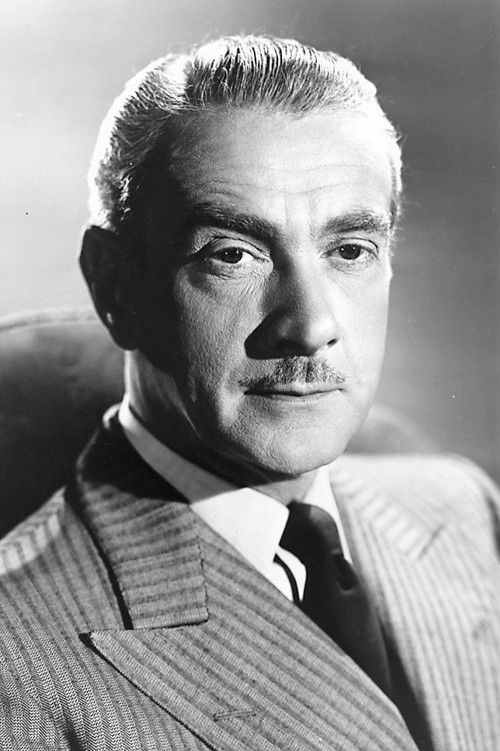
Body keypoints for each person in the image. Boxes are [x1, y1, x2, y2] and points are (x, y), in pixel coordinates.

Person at [0, 35, 498, 751]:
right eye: (232, 254)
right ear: (114, 286)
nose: (311, 326)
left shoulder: (465, 513)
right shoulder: (17, 664)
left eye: (349, 250)